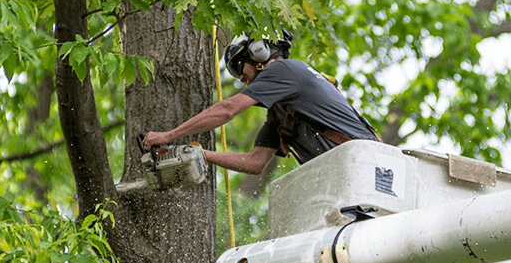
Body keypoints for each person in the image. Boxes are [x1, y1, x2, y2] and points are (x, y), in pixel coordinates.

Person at [141, 31, 380, 174]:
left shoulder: (285, 70)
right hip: (347, 170)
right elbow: (255, 162)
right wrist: (200, 154)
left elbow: (227, 109)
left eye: (239, 68)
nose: (242, 79)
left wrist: (169, 135)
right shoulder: (282, 114)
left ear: (258, 54)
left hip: (368, 164)